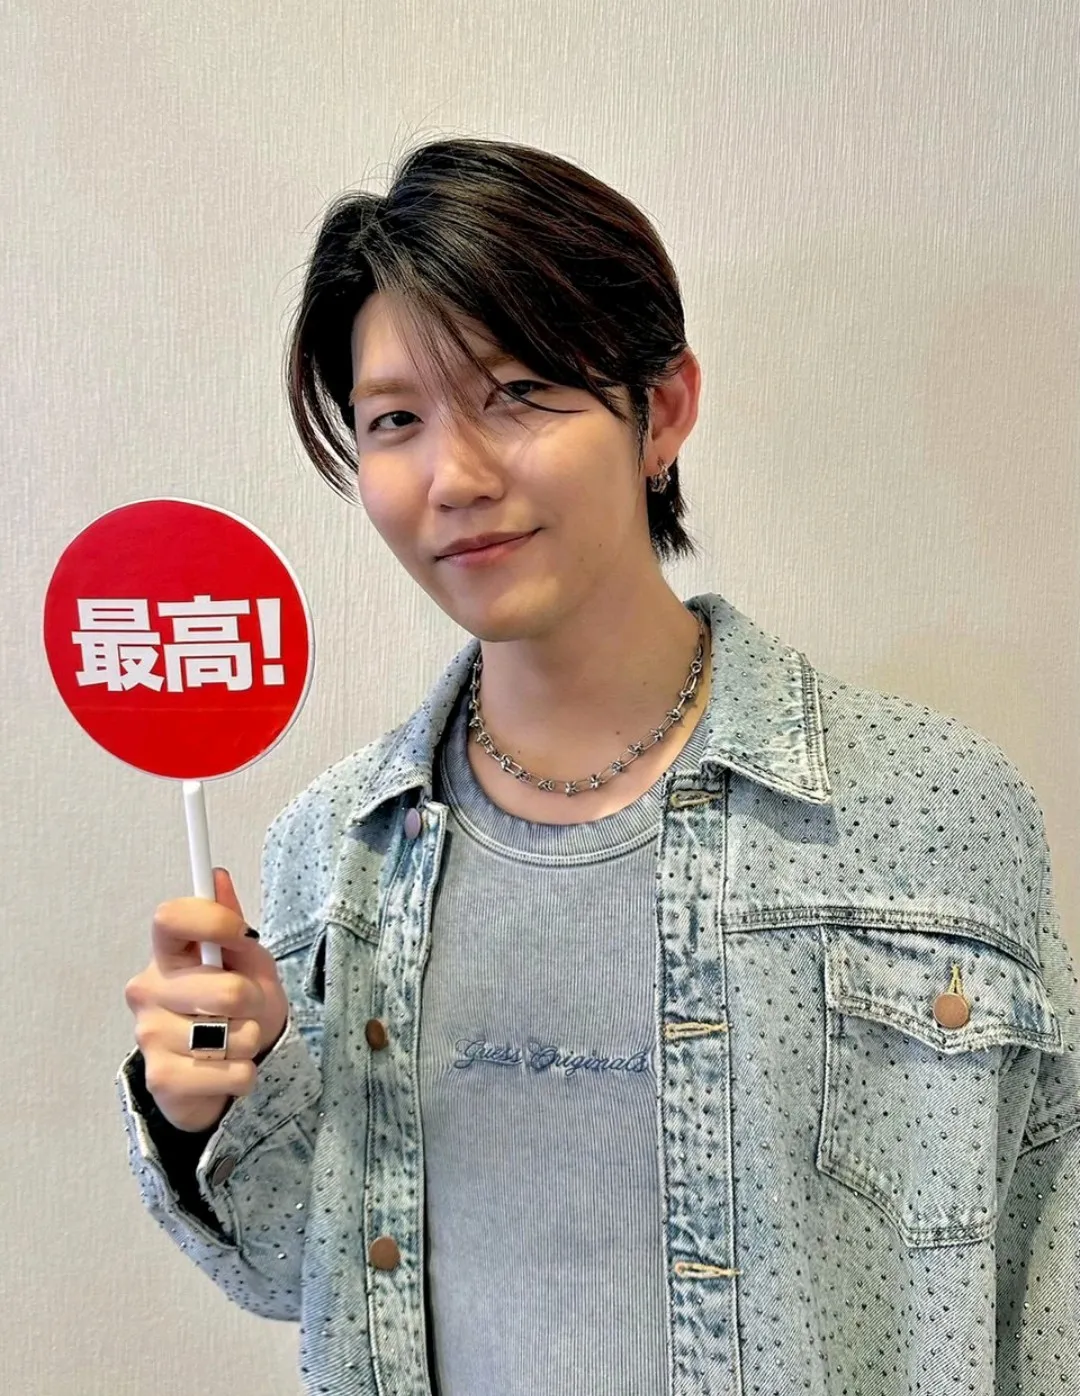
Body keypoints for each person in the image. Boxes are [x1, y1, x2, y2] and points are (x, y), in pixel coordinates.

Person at [118, 137, 1080, 1396]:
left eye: (518, 393)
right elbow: (296, 1269)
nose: (455, 477)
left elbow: (1046, 1276)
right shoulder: (332, 850)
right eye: (396, 420)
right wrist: (205, 1108)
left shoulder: (931, 811)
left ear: (660, 411)